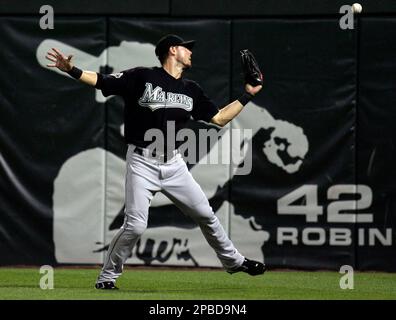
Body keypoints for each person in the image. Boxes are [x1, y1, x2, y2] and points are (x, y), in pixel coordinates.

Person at [46, 34, 265, 290]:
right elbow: (102, 81)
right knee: (136, 226)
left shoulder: (191, 89)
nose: (190, 52)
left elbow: (219, 119)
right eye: (186, 48)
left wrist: (247, 95)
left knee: (206, 214)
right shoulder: (141, 77)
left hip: (174, 164)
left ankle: (234, 261)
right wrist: (71, 69)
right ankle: (107, 277)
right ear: (173, 50)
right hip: (142, 163)